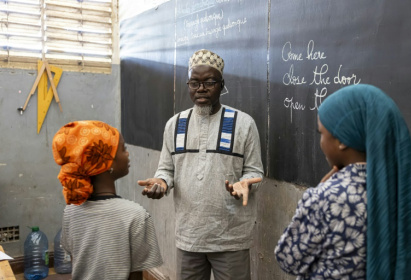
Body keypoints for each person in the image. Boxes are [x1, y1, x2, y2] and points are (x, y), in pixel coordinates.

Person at [138, 49, 264, 280]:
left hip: (231, 238)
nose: (201, 88)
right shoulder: (174, 125)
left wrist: (246, 184)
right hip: (189, 238)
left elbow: (254, 170)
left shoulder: (244, 123)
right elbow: (166, 170)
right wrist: (161, 182)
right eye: (194, 82)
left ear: (222, 84)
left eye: (209, 82)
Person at [274, 84, 411, 280]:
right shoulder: (403, 191)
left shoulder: (327, 197)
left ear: (342, 141)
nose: (321, 143)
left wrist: (318, 193)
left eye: (322, 134)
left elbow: (287, 258)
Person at [52, 120, 163, 280]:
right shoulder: (135, 216)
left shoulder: (71, 211)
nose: (127, 153)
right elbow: (135, 276)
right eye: (123, 149)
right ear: (106, 162)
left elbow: (77, 265)